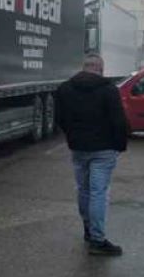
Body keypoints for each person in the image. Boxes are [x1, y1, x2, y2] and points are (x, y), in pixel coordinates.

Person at [55, 53, 130, 256]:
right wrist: (120, 146)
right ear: (100, 69)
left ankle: (88, 229)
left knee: (84, 190)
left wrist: (72, 136)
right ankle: (97, 240)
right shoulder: (108, 90)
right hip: (104, 150)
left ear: (84, 67)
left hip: (78, 148)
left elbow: (60, 118)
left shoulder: (64, 89)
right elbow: (118, 120)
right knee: (98, 193)